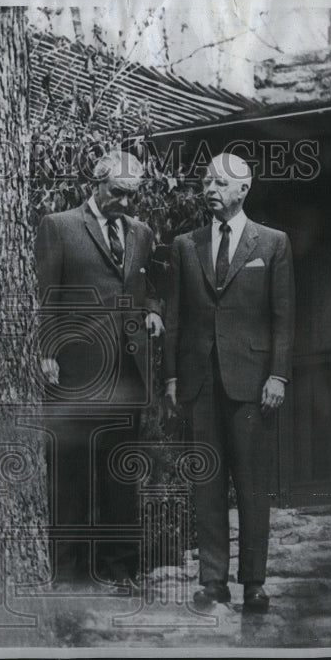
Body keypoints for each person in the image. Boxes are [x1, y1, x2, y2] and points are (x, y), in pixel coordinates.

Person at [163, 153, 294, 612]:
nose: (209, 189)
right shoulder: (185, 245)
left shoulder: (272, 243)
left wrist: (277, 374)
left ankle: (254, 582)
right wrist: (173, 377)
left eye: (219, 183)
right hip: (200, 382)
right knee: (209, 482)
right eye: (205, 181)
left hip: (253, 383)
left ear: (243, 190)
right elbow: (175, 317)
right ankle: (212, 581)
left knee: (253, 484)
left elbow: (283, 318)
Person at [34, 151, 163, 588]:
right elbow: (47, 295)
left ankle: (119, 570)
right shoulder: (60, 226)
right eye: (119, 194)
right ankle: (67, 574)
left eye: (132, 196)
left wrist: (153, 311)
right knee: (69, 475)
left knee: (119, 476)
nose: (126, 204)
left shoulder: (142, 234)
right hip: (75, 372)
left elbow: (151, 285)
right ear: (97, 184)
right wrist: (47, 351)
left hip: (127, 374)